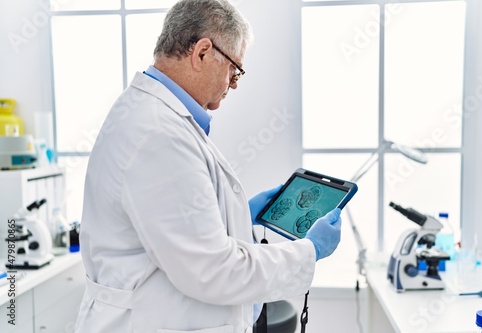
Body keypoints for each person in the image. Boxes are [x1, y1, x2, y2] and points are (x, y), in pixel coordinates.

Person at [74, 0, 342, 332]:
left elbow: (173, 228)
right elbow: (212, 270)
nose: (234, 83)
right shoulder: (158, 133)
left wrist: (237, 214)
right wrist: (309, 252)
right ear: (202, 53)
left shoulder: (153, 114)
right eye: (235, 69)